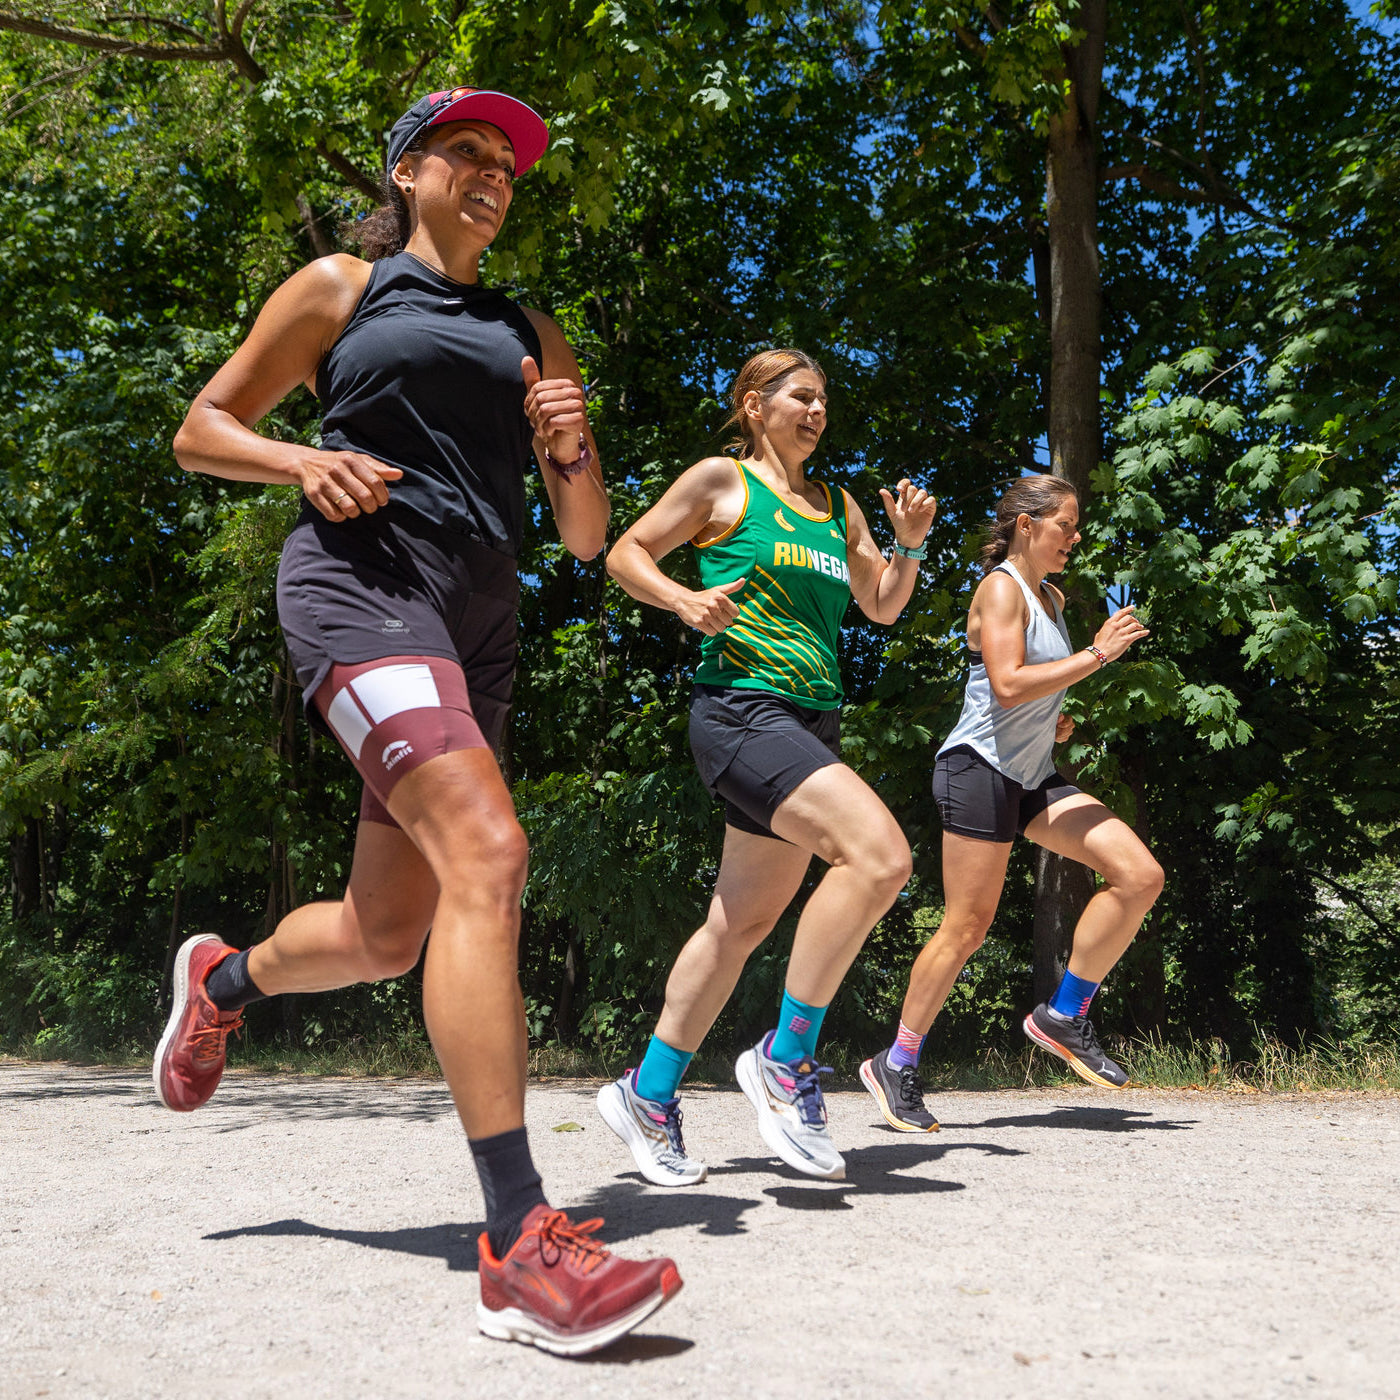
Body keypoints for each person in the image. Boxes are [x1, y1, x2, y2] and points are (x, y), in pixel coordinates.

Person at [154, 86, 680, 1356]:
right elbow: (200, 429)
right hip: (362, 586)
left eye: (508, 163)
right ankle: (515, 1241)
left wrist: (570, 444)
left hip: (477, 618)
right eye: (468, 152)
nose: (495, 173)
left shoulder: (527, 327)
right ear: (409, 169)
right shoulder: (342, 287)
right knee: (489, 856)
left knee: (390, 931)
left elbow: (586, 534)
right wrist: (301, 461)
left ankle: (220, 979)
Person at [596, 348, 936, 1185]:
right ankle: (786, 1061)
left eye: (824, 400)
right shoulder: (722, 481)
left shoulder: (837, 506)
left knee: (738, 924)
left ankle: (648, 1092)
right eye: (800, 397)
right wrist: (681, 599)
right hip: (742, 709)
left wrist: (907, 549)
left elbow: (880, 606)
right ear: (754, 406)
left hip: (810, 724)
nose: (816, 411)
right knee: (881, 856)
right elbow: (625, 553)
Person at [860, 473, 1164, 1132]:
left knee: (1140, 875)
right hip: (978, 770)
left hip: (1030, 775)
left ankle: (1064, 1014)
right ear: (1026, 525)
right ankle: (898, 1060)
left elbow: (1032, 689)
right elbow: (1004, 683)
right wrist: (1097, 654)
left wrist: (1055, 718)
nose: (1074, 538)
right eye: (1065, 526)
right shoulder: (1000, 589)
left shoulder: (1051, 597)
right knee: (968, 926)